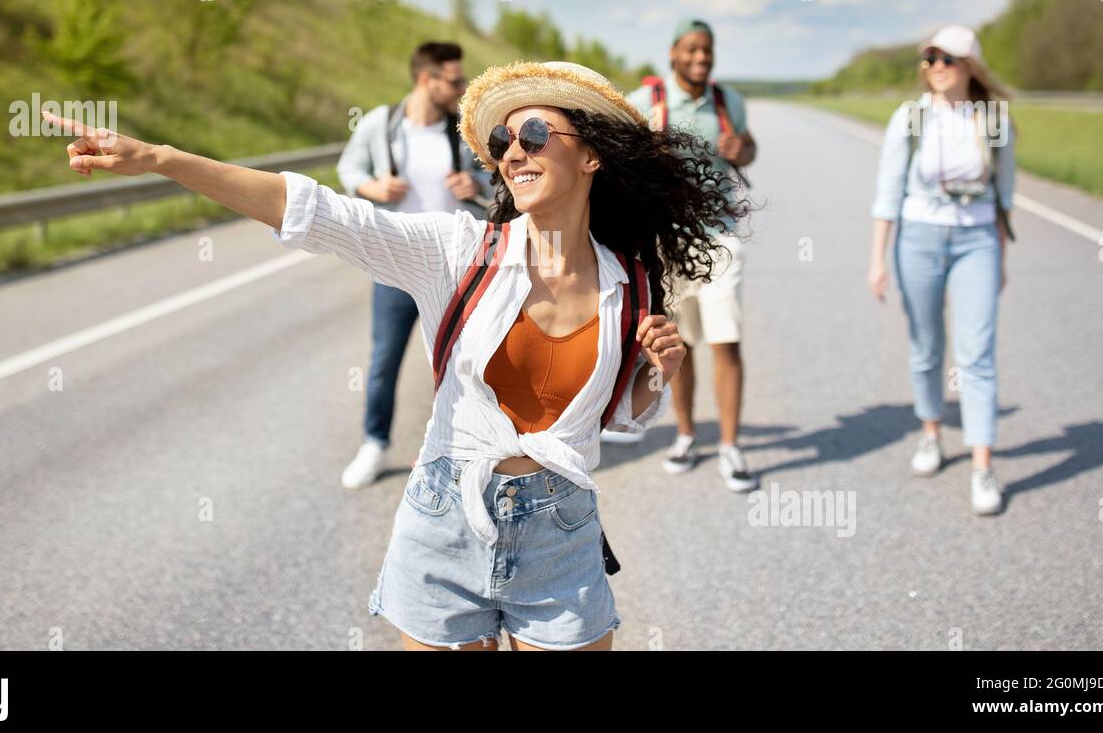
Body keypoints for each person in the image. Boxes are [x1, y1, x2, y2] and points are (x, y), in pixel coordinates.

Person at [43, 58, 743, 650]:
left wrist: (657, 375)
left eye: (535, 132)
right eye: (503, 138)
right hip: (443, 526)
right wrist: (162, 160)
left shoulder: (636, 281)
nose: (514, 150)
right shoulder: (458, 249)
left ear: (591, 153)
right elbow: (318, 211)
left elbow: (618, 419)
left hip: (561, 536)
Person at [867, 24, 1016, 516]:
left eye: (946, 59)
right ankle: (931, 432)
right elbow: (888, 192)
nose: (935, 68)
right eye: (928, 59)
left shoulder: (993, 119)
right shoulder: (909, 119)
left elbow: (1003, 195)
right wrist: (878, 260)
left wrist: (1001, 256)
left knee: (977, 353)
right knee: (927, 347)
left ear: (969, 65)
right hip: (918, 238)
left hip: (976, 241)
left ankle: (982, 465)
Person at [335, 42, 493, 489]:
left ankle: (473, 450)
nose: (461, 88)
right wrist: (373, 187)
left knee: (469, 360)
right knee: (385, 357)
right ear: (427, 80)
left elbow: (491, 176)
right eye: (454, 80)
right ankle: (374, 442)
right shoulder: (381, 125)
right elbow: (350, 169)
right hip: (395, 263)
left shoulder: (461, 130)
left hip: (456, 265)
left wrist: (473, 183)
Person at [624, 19, 759, 491]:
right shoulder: (646, 105)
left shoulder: (728, 102)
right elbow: (621, 161)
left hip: (720, 238)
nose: (702, 58)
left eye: (708, 51)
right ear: (673, 55)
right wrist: (647, 154)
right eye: (693, 50)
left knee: (726, 339)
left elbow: (749, 148)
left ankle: (730, 446)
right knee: (676, 344)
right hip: (666, 242)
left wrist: (741, 149)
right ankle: (685, 435)